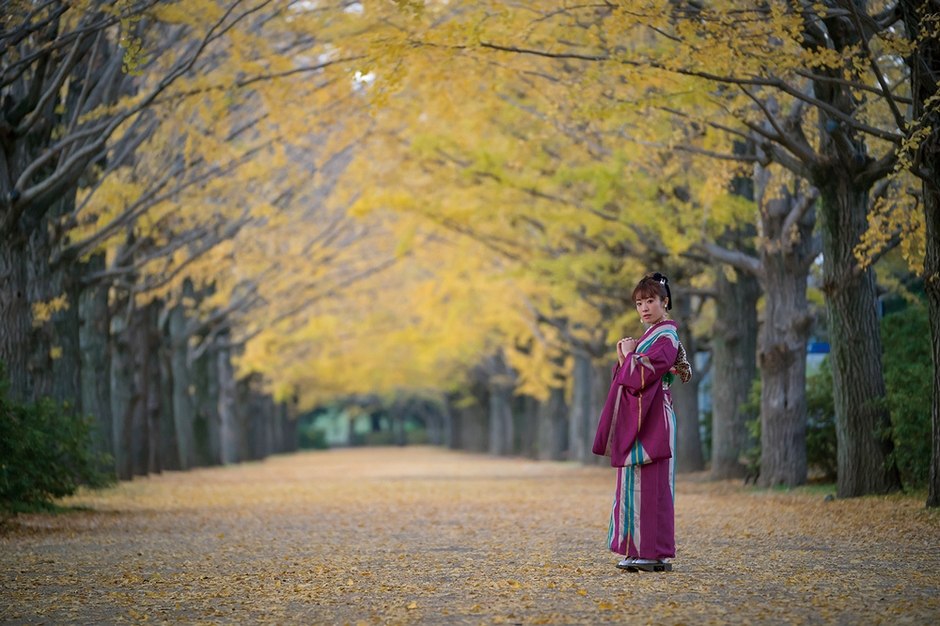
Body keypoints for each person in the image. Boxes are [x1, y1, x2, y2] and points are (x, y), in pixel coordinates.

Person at [592, 272, 690, 573]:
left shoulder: (666, 336)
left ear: (665, 302)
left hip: (653, 414)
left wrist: (630, 355)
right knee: (634, 481)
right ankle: (638, 549)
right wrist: (626, 358)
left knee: (653, 483)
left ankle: (654, 552)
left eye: (650, 300)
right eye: (639, 303)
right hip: (641, 413)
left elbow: (646, 374)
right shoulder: (652, 335)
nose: (644, 307)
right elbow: (630, 375)